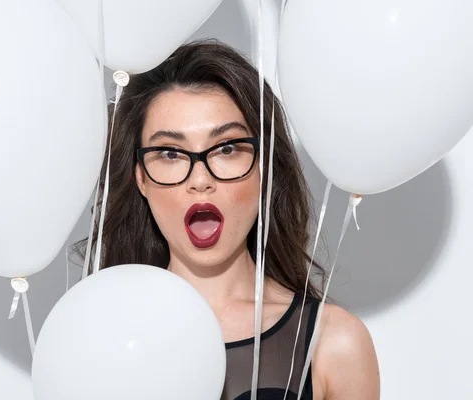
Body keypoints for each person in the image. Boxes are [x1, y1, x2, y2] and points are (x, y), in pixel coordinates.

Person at [73, 39, 380, 399]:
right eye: (170, 153)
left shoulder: (332, 343)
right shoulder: (96, 336)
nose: (200, 180)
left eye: (227, 148)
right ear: (140, 177)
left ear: (263, 168)